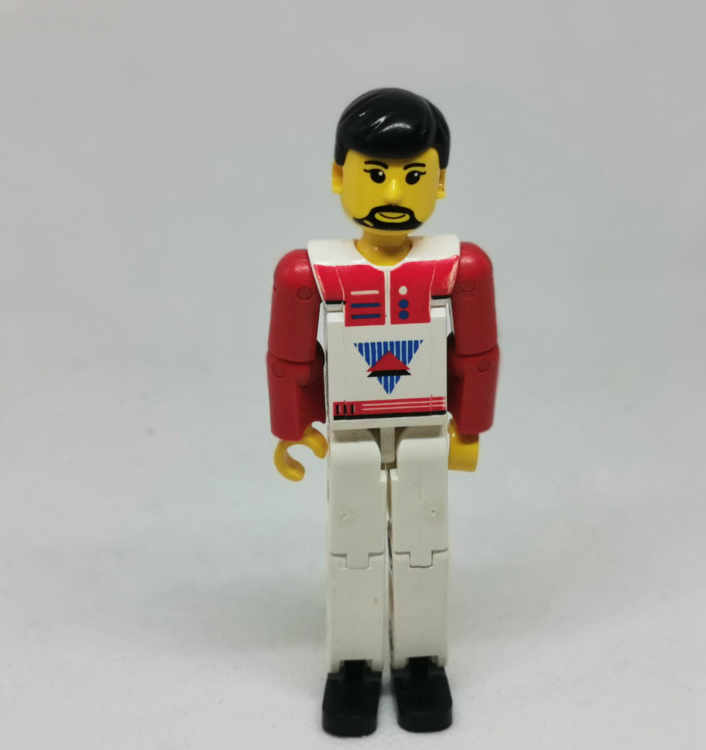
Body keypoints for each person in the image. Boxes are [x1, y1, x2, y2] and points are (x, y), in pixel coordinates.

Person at [266, 87, 499, 736]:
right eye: (374, 174)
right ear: (339, 176)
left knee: (425, 541)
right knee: (354, 546)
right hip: (350, 428)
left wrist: (470, 425)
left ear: (440, 182)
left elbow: (476, 353)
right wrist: (291, 427)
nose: (393, 192)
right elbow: (291, 358)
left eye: (413, 176)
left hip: (425, 424)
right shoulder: (309, 273)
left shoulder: (460, 266)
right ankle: (353, 664)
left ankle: (421, 660)